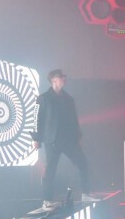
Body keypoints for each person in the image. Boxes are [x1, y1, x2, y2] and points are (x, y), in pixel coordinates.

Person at [32, 69, 92, 206]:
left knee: (83, 163)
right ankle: (47, 200)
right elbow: (36, 118)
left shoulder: (69, 99)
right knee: (50, 170)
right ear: (53, 80)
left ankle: (86, 194)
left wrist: (78, 136)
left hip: (68, 139)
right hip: (52, 140)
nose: (64, 78)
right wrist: (36, 138)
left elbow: (74, 120)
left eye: (64, 76)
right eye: (61, 76)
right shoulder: (43, 98)